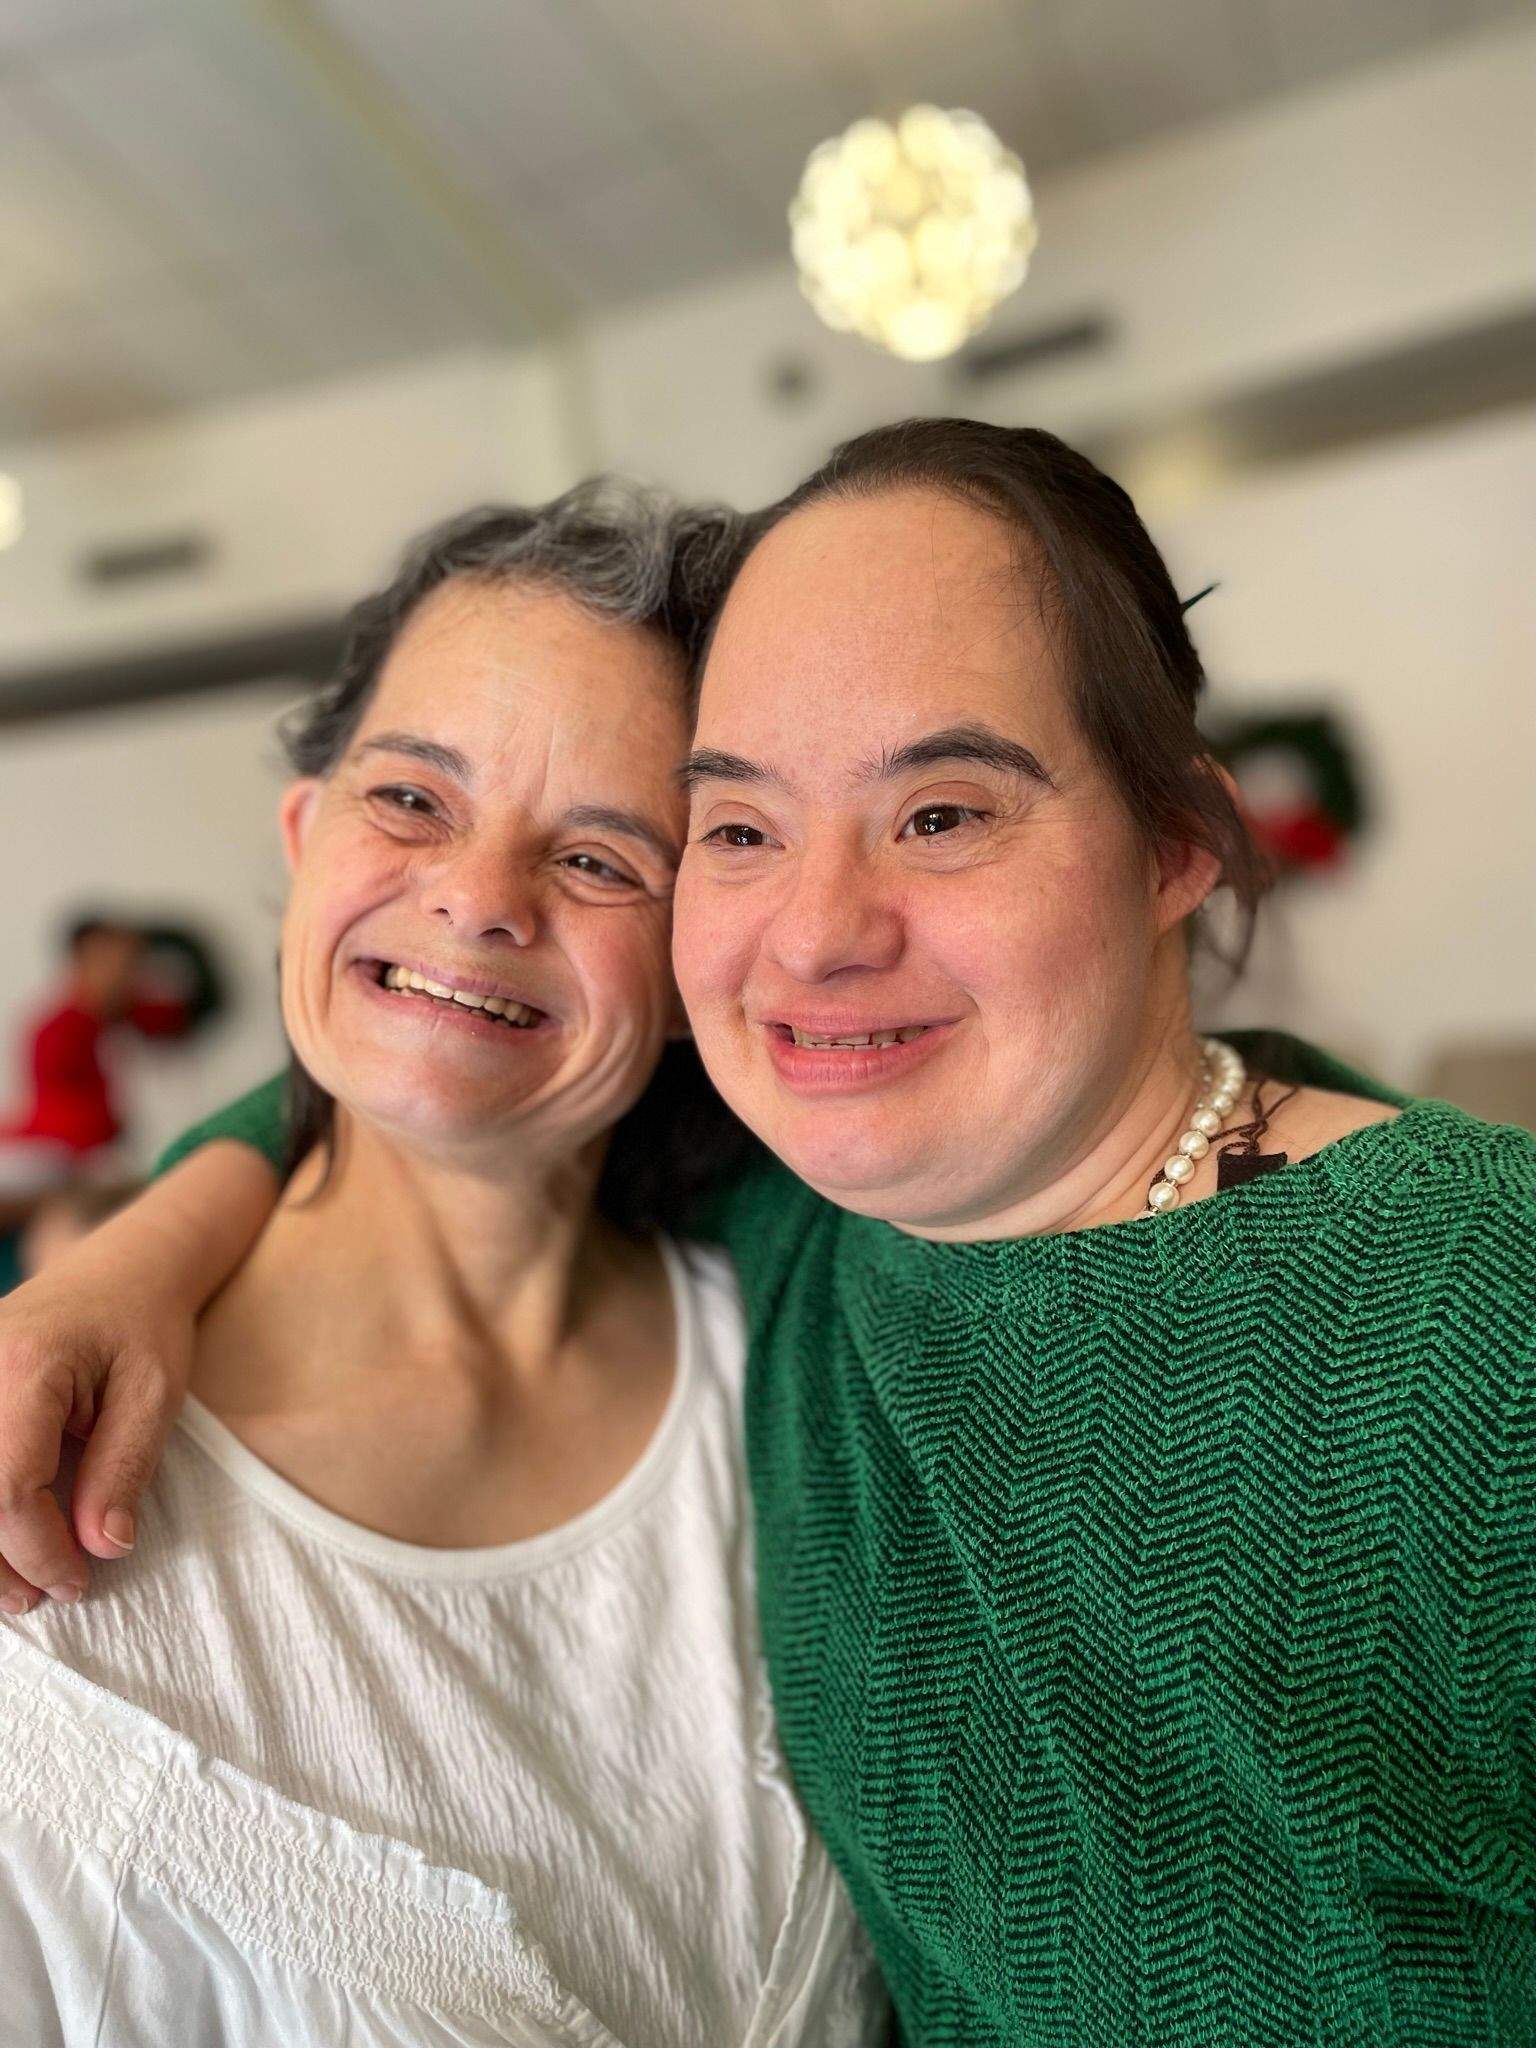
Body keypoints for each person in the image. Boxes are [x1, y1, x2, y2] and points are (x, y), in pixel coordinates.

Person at [3, 421, 1532, 2045]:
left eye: (942, 813)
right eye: (738, 830)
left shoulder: (1468, 1315)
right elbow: (442, 1065)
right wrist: (123, 1262)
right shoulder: (811, 1217)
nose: (814, 934)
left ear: (1176, 847)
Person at [0, 484, 885, 2048]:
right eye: (411, 799)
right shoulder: (35, 1488)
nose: (479, 898)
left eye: (604, 858)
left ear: (701, 957)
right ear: (303, 834)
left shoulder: (806, 1378)